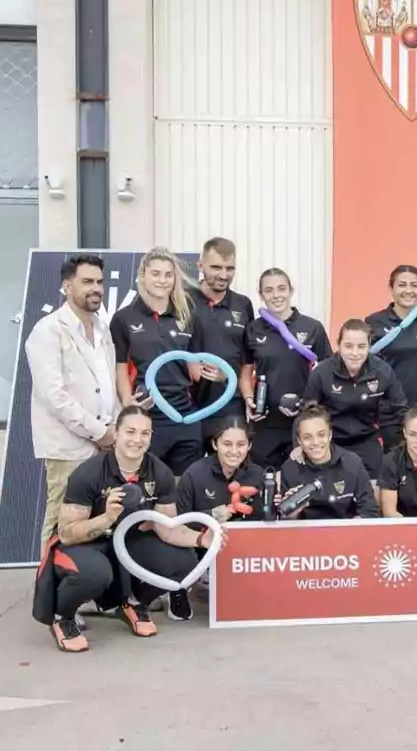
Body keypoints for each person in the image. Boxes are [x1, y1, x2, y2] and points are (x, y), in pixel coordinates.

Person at [32, 406, 219, 652]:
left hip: (130, 540)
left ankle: (133, 603)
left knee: (183, 561)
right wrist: (107, 517)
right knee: (96, 574)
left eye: (145, 433)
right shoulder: (89, 473)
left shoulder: (158, 473)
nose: (137, 439)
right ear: (116, 434)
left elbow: (168, 528)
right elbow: (67, 533)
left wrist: (202, 539)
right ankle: (63, 616)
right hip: (88, 543)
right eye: (130, 431)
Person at [25, 254, 118, 545]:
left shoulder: (103, 329)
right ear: (67, 286)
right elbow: (53, 394)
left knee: (99, 521)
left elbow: (108, 385)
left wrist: (113, 427)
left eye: (100, 282)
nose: (96, 288)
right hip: (68, 448)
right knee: (59, 524)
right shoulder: (48, 330)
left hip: (106, 444)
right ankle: (48, 589)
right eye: (87, 281)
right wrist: (99, 432)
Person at [110, 247, 204, 476]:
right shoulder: (124, 318)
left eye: (168, 275)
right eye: (156, 273)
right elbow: (120, 368)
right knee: (146, 484)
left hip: (185, 416)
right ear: (143, 275)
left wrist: (220, 373)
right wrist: (128, 402)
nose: (162, 280)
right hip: (148, 416)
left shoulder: (188, 316)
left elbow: (196, 371)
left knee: (184, 487)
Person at [173, 416, 265, 620]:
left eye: (240, 444)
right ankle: (181, 589)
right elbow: (179, 523)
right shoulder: (195, 474)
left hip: (242, 551)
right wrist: (212, 516)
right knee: (179, 553)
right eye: (227, 444)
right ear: (215, 444)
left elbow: (263, 522)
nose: (234, 451)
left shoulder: (258, 475)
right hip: (201, 546)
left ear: (249, 445)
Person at [240, 268, 332, 469]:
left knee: (300, 478)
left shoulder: (312, 327)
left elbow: (327, 374)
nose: (276, 295)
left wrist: (311, 406)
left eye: (281, 288)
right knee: (264, 480)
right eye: (269, 290)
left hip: (301, 422)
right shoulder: (253, 329)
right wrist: (249, 400)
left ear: (291, 291)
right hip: (265, 422)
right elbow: (246, 373)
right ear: (261, 295)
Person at [302, 319, 408, 479]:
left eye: (361, 346)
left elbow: (401, 408)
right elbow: (306, 414)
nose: (355, 353)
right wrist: (299, 447)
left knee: (375, 486)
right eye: (348, 346)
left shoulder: (382, 370)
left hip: (366, 438)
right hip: (331, 439)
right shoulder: (322, 372)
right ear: (339, 345)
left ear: (369, 346)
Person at [190, 237, 254, 439]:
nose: (223, 275)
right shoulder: (183, 300)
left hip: (231, 405)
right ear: (200, 266)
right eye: (216, 267)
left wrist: (228, 377)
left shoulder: (243, 304)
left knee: (232, 466)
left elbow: (248, 360)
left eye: (230, 268)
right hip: (189, 404)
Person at [278, 405, 380, 520]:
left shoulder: (352, 463)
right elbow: (284, 521)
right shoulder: (289, 469)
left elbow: (370, 510)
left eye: (321, 435)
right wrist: (291, 514)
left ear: (330, 435)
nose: (315, 442)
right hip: (306, 533)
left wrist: (357, 523)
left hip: (345, 532)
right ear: (299, 440)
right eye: (307, 437)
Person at [365, 265, 417, 411]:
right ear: (391, 289)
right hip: (387, 408)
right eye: (402, 285)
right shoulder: (374, 322)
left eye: (414, 285)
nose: (408, 291)